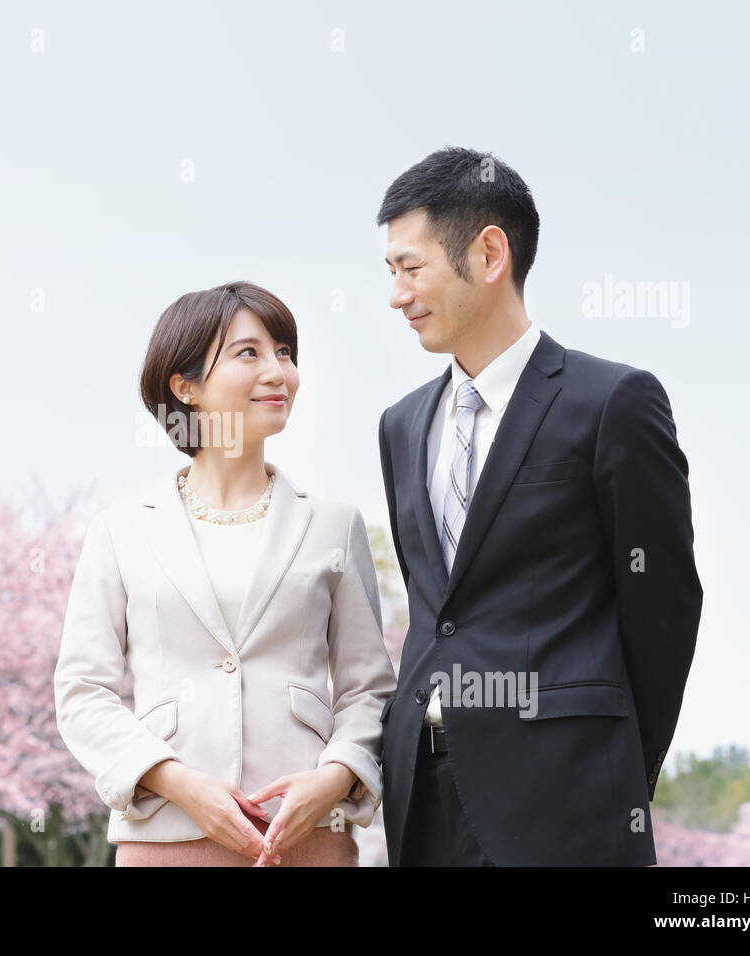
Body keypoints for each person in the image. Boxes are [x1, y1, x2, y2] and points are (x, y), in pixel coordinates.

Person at [376, 146, 702, 865]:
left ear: (490, 253)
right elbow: (439, 613)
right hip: (420, 806)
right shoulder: (399, 425)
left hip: (568, 804)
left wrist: (612, 765)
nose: (397, 294)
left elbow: (665, 607)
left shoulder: (612, 402)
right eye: (389, 273)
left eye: (410, 267)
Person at [54, 280, 397, 866]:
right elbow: (84, 692)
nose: (278, 372)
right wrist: (177, 782)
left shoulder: (335, 525)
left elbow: (368, 689)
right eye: (249, 353)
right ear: (185, 386)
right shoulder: (121, 530)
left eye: (285, 353)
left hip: (308, 838)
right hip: (165, 835)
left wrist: (335, 778)